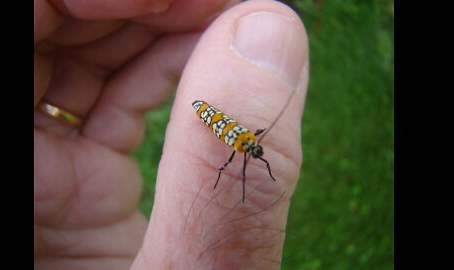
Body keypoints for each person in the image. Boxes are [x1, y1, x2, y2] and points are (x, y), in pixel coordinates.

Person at [34, 0, 309, 269]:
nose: (258, 152)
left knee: (230, 156)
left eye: (256, 151)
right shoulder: (245, 143)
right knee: (229, 156)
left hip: (215, 119)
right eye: (257, 151)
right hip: (212, 116)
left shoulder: (245, 142)